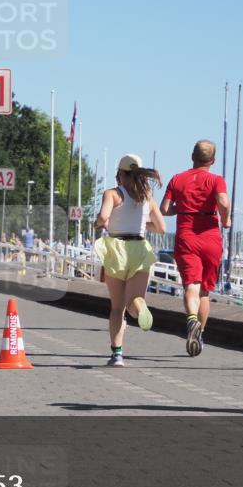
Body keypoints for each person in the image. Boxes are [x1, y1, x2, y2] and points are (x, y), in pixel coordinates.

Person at [93, 154, 166, 367]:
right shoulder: (147, 197)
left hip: (117, 249)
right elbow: (161, 228)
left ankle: (117, 355)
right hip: (140, 249)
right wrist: (142, 225)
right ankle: (140, 308)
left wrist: (100, 223)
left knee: (117, 307)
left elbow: (104, 217)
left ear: (120, 174)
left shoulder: (112, 194)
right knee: (134, 300)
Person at [160, 140, 231, 357]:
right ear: (213, 160)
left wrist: (181, 208)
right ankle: (200, 334)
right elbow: (224, 203)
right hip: (210, 237)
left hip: (186, 235)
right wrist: (225, 220)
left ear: (192, 156)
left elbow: (164, 209)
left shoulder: (177, 179)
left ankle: (191, 320)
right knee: (204, 292)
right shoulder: (216, 180)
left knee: (191, 284)